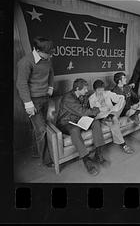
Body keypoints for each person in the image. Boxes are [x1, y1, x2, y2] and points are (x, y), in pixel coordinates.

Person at [16, 36, 55, 167]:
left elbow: (51, 73)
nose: (50, 56)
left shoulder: (47, 59)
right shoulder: (25, 62)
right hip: (33, 101)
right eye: (47, 53)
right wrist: (28, 104)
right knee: (42, 130)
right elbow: (21, 84)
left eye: (51, 53)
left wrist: (50, 87)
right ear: (37, 50)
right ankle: (46, 160)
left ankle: (35, 152)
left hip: (45, 98)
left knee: (37, 129)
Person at [56, 78, 107, 176]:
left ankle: (98, 153)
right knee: (75, 130)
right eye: (84, 89)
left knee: (95, 122)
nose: (87, 91)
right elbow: (82, 111)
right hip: (66, 122)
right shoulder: (68, 98)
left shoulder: (83, 96)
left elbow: (86, 110)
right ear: (77, 89)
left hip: (78, 120)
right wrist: (98, 109)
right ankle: (86, 160)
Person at [89, 80, 134, 154]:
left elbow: (121, 98)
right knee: (114, 120)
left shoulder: (107, 93)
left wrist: (113, 110)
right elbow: (95, 112)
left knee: (123, 101)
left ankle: (111, 115)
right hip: (103, 116)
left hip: (113, 112)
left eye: (102, 89)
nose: (101, 91)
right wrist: (105, 110)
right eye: (98, 90)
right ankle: (123, 144)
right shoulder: (91, 99)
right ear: (94, 90)